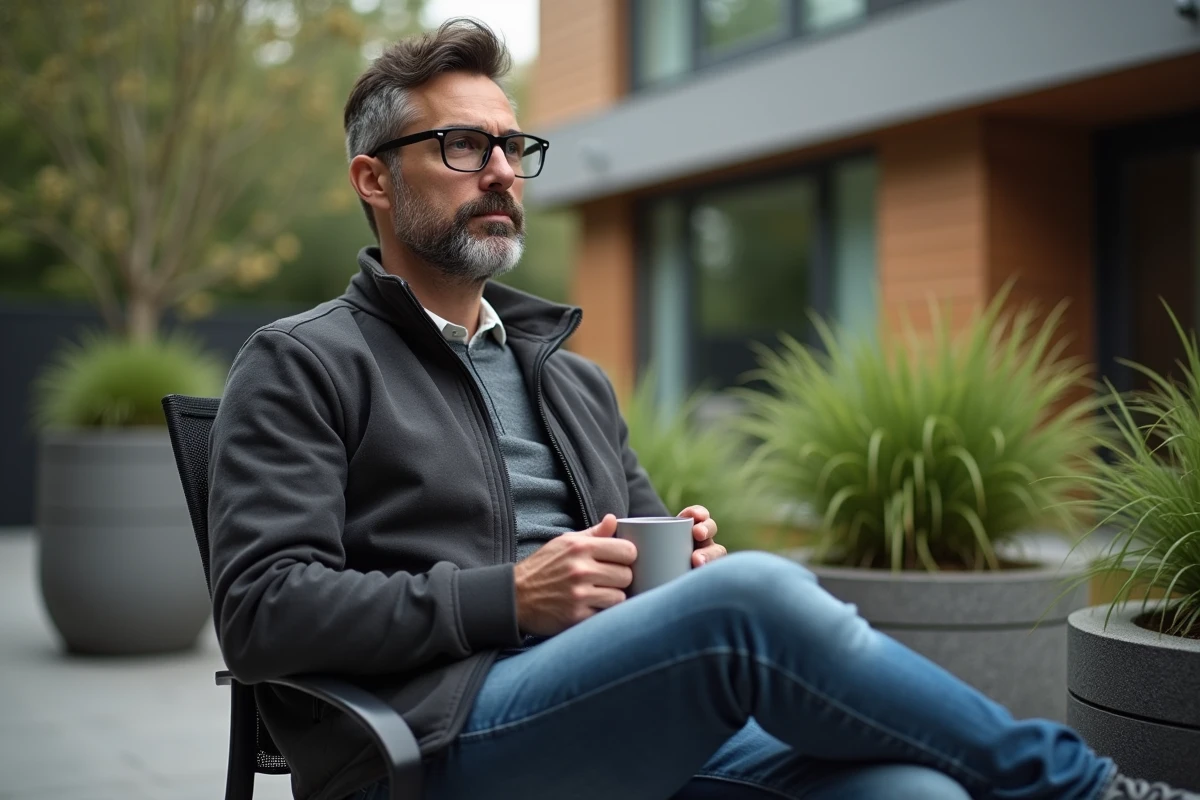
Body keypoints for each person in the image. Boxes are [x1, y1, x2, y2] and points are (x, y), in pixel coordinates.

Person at [207, 18, 1197, 800]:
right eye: (463, 145)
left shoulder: (569, 377)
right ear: (373, 178)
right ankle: (1085, 788)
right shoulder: (303, 362)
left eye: (514, 146)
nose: (503, 170)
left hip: (615, 717)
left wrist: (681, 558)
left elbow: (645, 572)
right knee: (754, 601)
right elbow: (262, 611)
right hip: (429, 742)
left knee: (912, 787)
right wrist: (509, 593)